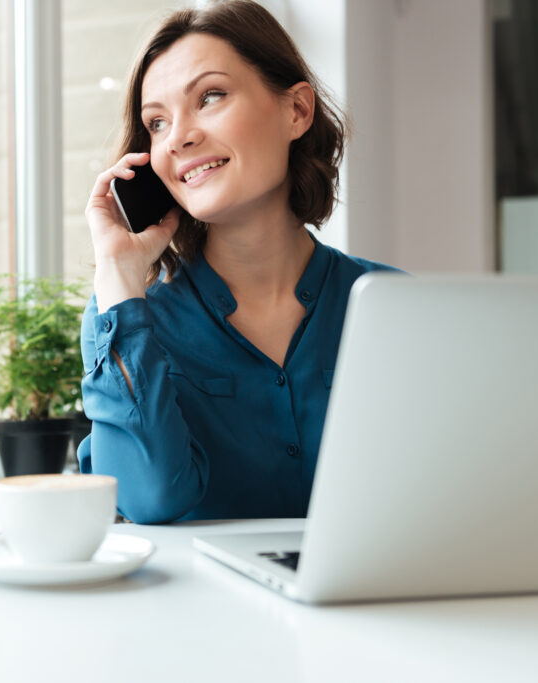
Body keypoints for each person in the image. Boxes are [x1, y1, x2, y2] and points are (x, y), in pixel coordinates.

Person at [77, 0, 402, 524]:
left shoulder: (396, 307)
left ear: (296, 111)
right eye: (156, 123)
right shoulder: (130, 323)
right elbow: (146, 500)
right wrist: (117, 269)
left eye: (210, 96)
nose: (179, 136)